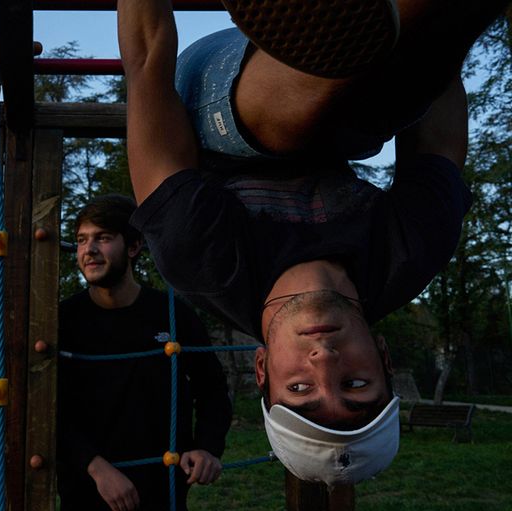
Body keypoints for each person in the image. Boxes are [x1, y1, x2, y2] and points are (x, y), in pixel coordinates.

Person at [117, 0, 509, 485]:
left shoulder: (203, 258)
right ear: (385, 358)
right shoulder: (409, 253)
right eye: (356, 383)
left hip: (209, 97)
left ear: (262, 369)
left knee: (297, 126)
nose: (324, 361)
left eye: (300, 387)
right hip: (354, 93)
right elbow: (439, 133)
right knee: (394, 98)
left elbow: (146, 64)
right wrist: (445, 34)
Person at [57, 194, 233, 511]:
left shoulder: (171, 313)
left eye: (103, 238)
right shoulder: (62, 321)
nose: (89, 250)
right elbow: (50, 409)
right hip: (86, 494)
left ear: (134, 246)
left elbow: (211, 389)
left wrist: (207, 447)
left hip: (160, 491)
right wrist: (95, 466)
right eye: (82, 240)